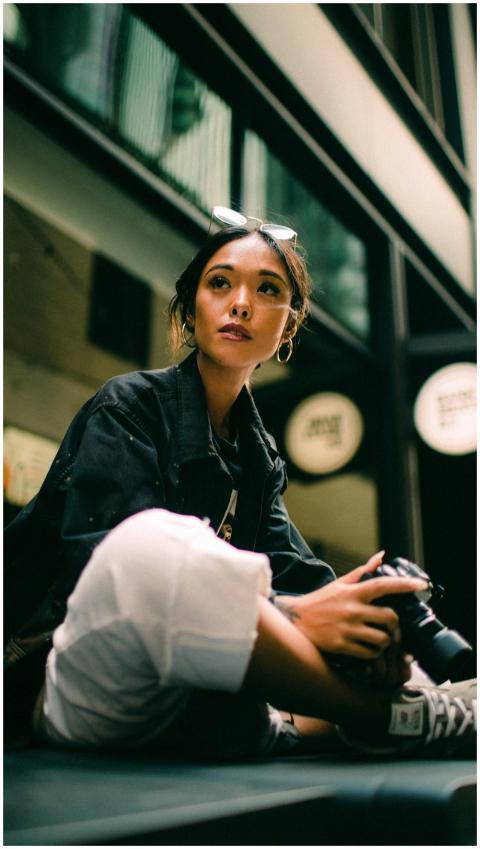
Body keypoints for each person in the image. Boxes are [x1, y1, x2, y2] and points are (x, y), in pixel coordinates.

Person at [4, 210, 476, 759]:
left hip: (193, 697)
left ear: (288, 328)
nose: (242, 302)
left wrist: (363, 613)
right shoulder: (129, 405)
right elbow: (105, 573)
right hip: (81, 684)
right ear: (191, 310)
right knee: (148, 545)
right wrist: (295, 615)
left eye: (267, 288)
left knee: (403, 661)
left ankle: (387, 710)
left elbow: (299, 576)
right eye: (220, 283)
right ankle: (384, 720)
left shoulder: (258, 456)